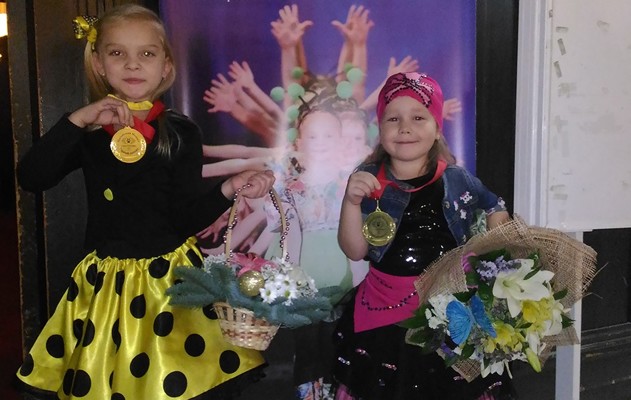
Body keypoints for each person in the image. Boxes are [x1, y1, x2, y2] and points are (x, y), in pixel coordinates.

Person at [14, 5, 275, 399]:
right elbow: (32, 177)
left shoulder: (182, 132)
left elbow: (186, 218)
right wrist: (77, 121)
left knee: (175, 381)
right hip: (106, 286)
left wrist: (230, 186)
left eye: (147, 53)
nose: (132, 64)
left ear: (166, 65)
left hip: (170, 282)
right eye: (117, 53)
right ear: (99, 63)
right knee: (110, 378)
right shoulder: (89, 130)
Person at [332, 72, 516, 400]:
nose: (405, 128)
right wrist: (351, 202)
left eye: (418, 117)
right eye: (393, 119)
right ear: (380, 129)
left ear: (437, 128)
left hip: (450, 311)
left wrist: (496, 255)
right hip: (385, 311)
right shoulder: (367, 179)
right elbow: (355, 251)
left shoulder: (457, 178)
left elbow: (494, 205)